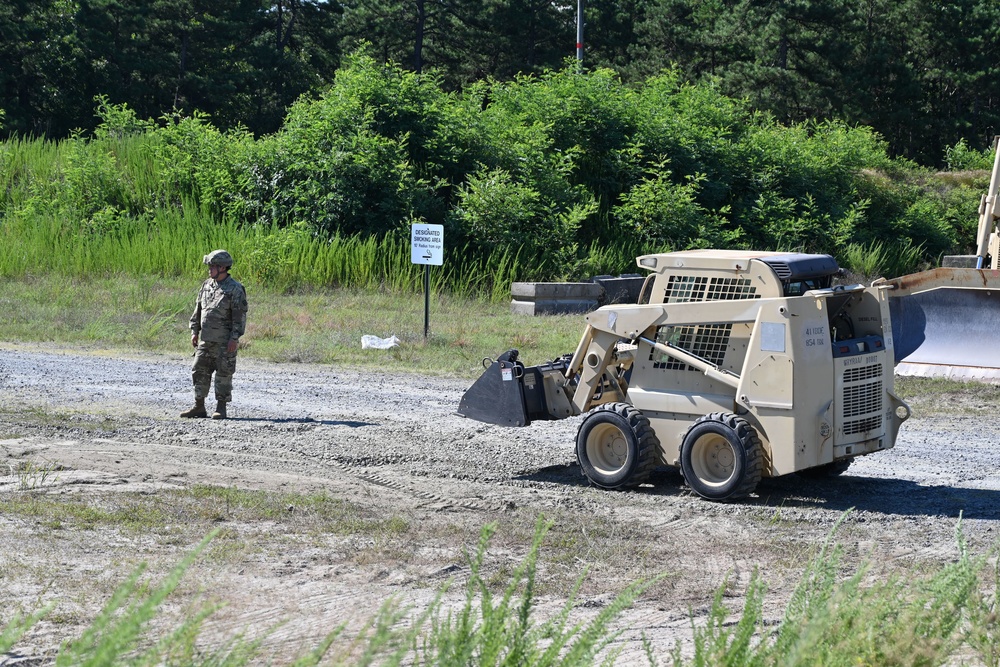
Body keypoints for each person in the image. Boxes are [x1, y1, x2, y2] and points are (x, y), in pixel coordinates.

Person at [180, 250, 248, 420]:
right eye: (209, 266)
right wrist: (194, 331)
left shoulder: (235, 289)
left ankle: (221, 408)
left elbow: (239, 317)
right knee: (199, 370)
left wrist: (234, 338)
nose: (209, 269)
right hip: (206, 340)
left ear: (223, 267)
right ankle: (199, 406)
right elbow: (198, 310)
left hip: (224, 342)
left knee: (223, 374)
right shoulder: (206, 285)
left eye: (212, 266)